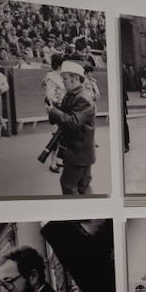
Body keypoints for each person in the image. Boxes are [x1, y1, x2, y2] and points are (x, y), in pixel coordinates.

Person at [49, 60, 96, 194]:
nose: (62, 81)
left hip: (78, 153)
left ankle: (80, 213)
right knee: (83, 186)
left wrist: (53, 111)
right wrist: (54, 110)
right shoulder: (72, 95)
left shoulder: (82, 98)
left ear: (75, 79)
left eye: (65, 78)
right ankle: (94, 213)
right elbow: (65, 116)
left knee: (68, 185)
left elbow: (73, 122)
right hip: (79, 152)